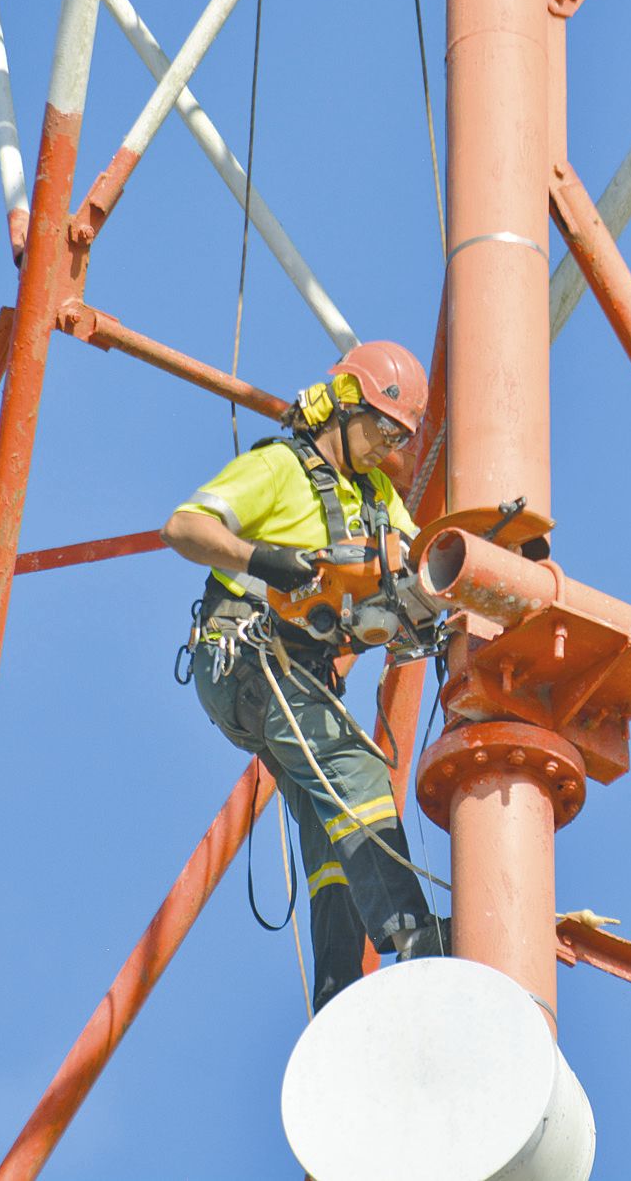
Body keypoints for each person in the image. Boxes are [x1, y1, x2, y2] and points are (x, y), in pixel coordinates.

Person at [161, 340, 447, 1012]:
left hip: (298, 676)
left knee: (330, 824)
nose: (389, 444)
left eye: (400, 434)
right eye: (381, 425)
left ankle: (337, 987)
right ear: (342, 408)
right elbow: (184, 527)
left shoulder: (376, 496)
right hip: (248, 659)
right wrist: (262, 559)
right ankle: (412, 933)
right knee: (358, 769)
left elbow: (412, 567)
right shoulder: (280, 467)